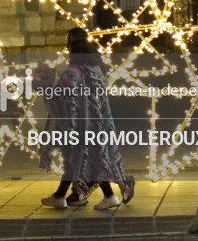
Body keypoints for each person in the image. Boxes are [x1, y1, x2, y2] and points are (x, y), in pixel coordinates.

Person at [34, 27, 134, 210]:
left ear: (71, 48)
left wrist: (45, 82)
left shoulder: (71, 73)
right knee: (87, 159)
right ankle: (61, 196)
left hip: (79, 126)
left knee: (81, 160)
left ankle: (107, 196)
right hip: (100, 124)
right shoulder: (97, 69)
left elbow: (60, 102)